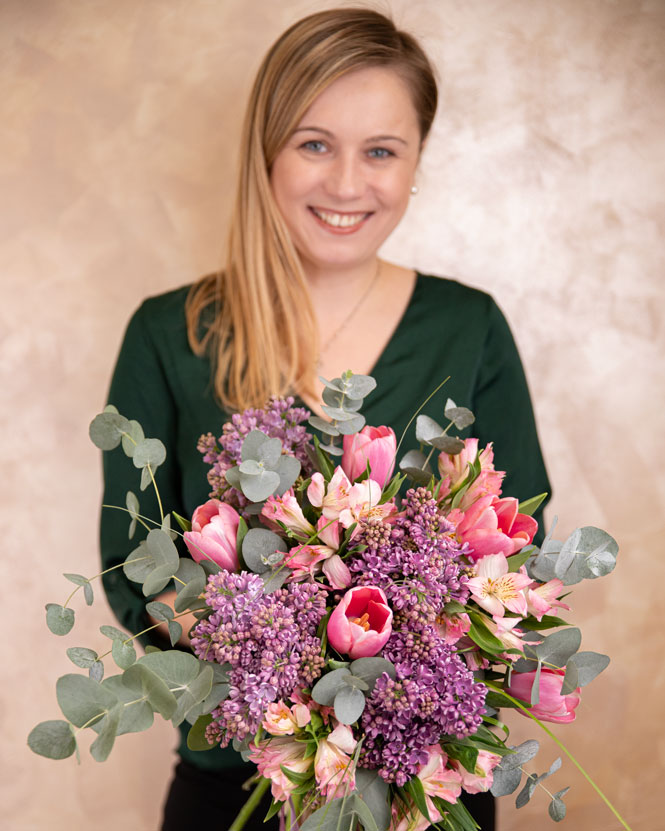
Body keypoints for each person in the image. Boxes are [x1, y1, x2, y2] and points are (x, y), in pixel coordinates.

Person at [100, 8, 550, 830]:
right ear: (265, 153)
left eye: (380, 151)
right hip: (233, 788)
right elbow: (133, 569)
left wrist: (411, 648)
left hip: (421, 795)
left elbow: (525, 547)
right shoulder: (172, 334)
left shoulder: (467, 325)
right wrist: (277, 657)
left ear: (415, 162)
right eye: (314, 144)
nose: (347, 184)